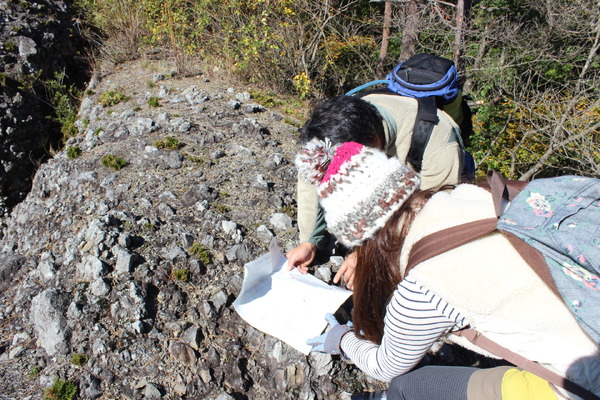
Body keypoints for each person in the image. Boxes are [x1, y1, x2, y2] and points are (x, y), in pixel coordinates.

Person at [295, 139, 600, 400]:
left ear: (362, 238)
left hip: (585, 382)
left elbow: (385, 365)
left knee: (408, 387)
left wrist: (341, 338)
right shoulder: (478, 195)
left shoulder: (421, 289)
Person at [286, 94, 466, 288]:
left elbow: (430, 218)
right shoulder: (337, 128)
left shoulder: (438, 145)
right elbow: (312, 180)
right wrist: (310, 241)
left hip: (426, 190)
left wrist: (367, 254)